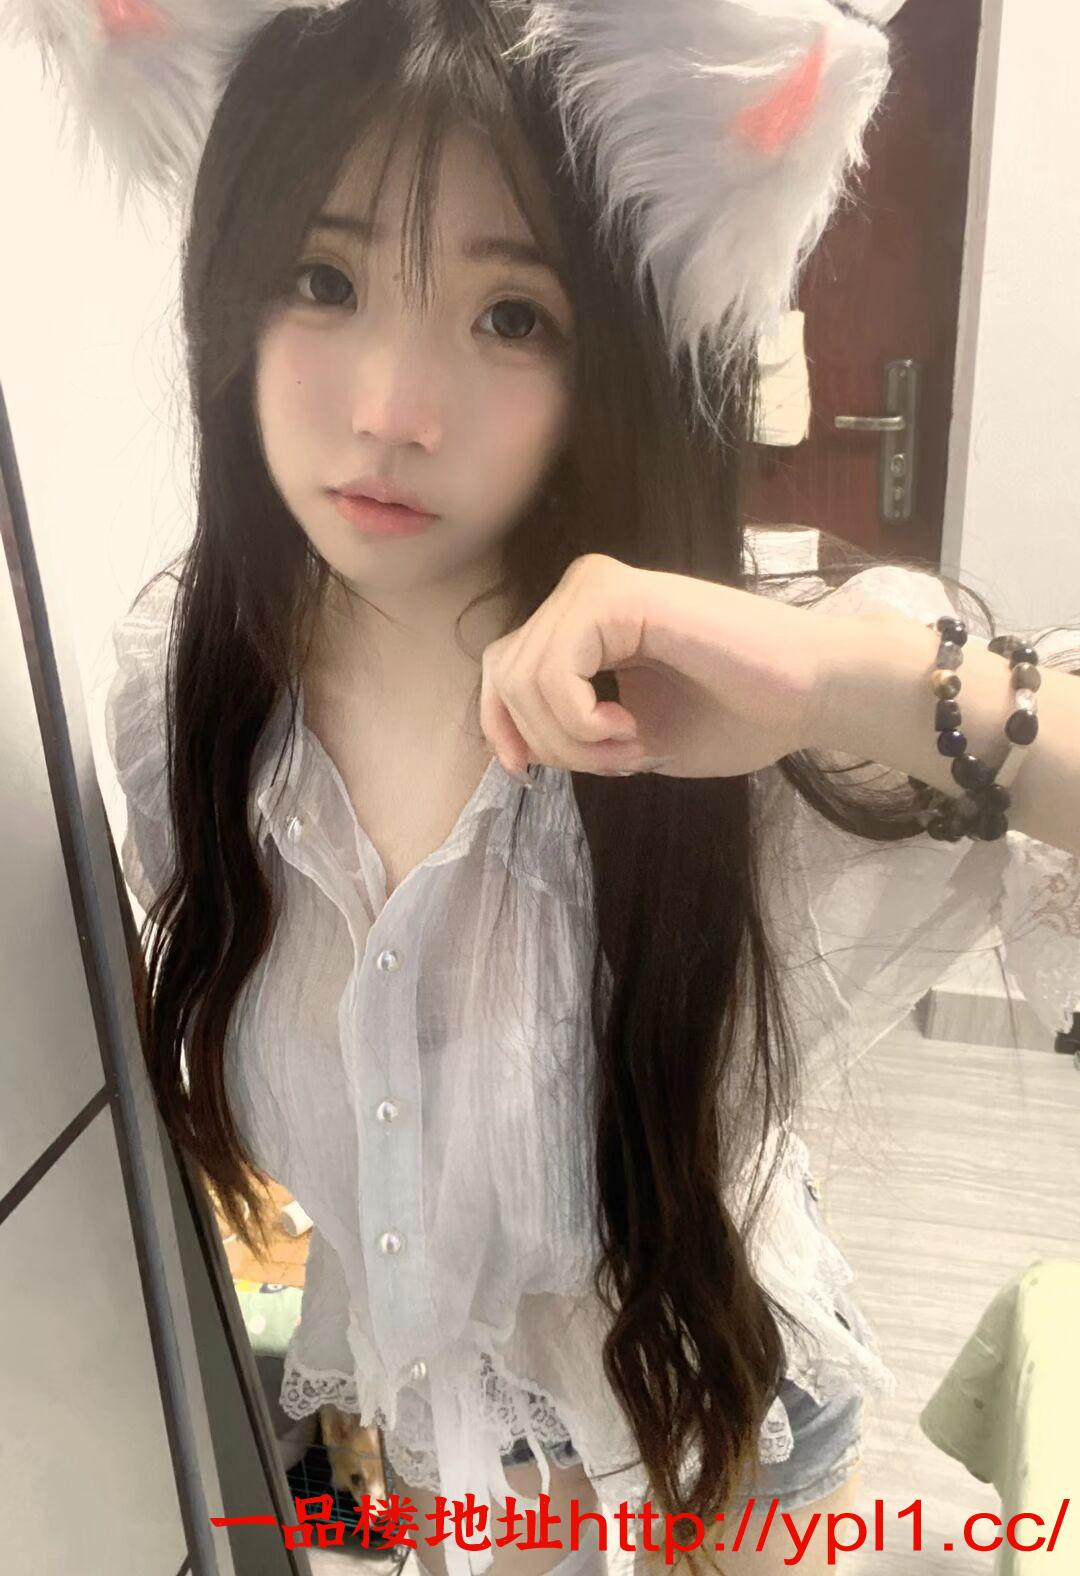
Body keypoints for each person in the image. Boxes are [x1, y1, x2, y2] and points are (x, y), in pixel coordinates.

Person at [17, 1, 1080, 1572]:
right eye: (325, 281)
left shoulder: (724, 698)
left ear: (608, 360)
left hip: (730, 1476)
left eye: (510, 315)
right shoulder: (192, 691)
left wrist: (832, 678)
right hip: (449, 1501)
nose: (390, 408)